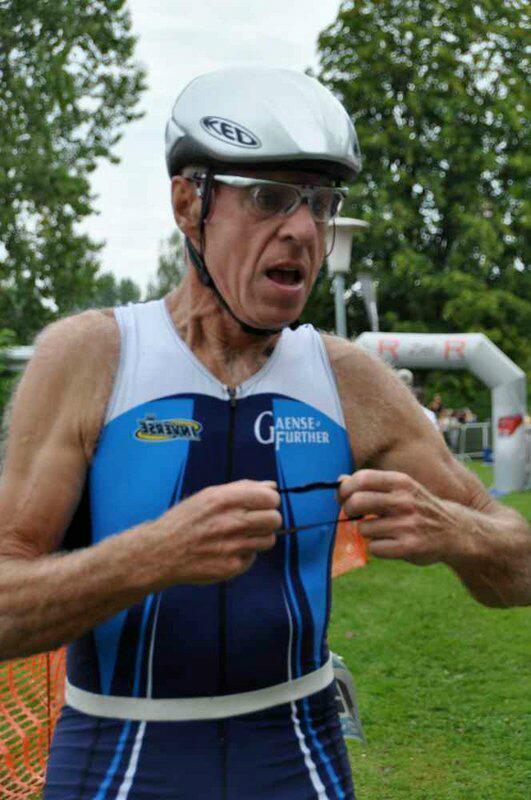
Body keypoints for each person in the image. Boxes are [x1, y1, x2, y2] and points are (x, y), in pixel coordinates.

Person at [0, 66, 529, 800]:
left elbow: (518, 569)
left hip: (298, 763)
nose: (305, 231)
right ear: (189, 203)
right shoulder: (91, 356)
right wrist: (150, 557)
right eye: (269, 197)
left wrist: (455, 531)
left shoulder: (351, 380)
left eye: (321, 202)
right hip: (118, 764)